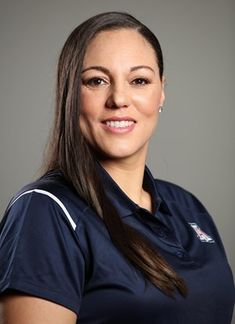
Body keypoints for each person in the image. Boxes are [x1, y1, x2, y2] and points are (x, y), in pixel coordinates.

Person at [0, 11, 234, 324]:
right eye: (96, 81)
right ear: (70, 94)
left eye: (139, 80)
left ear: (161, 91)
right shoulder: (46, 210)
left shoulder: (187, 206)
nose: (119, 98)